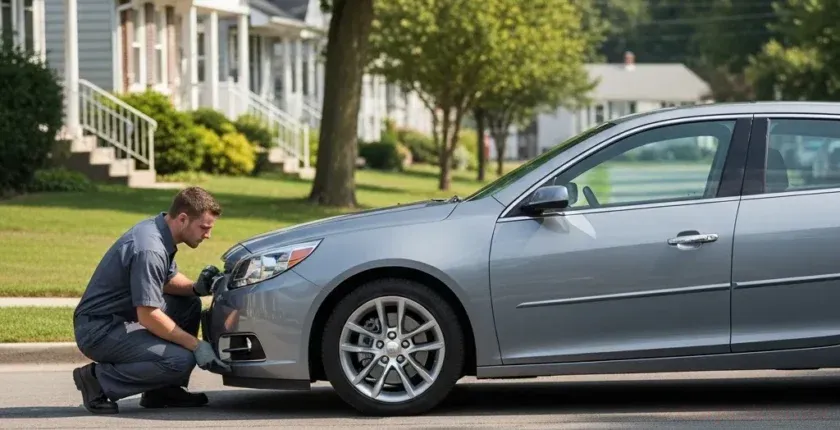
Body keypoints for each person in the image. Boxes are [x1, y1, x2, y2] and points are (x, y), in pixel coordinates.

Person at [71, 186, 231, 414]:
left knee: (188, 304)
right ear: (183, 219)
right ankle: (97, 380)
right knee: (181, 360)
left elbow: (166, 280)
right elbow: (148, 316)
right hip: (99, 330)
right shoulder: (150, 249)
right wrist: (197, 345)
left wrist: (196, 288)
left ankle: (162, 391)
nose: (208, 235)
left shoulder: (158, 230)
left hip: (119, 318)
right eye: (204, 227)